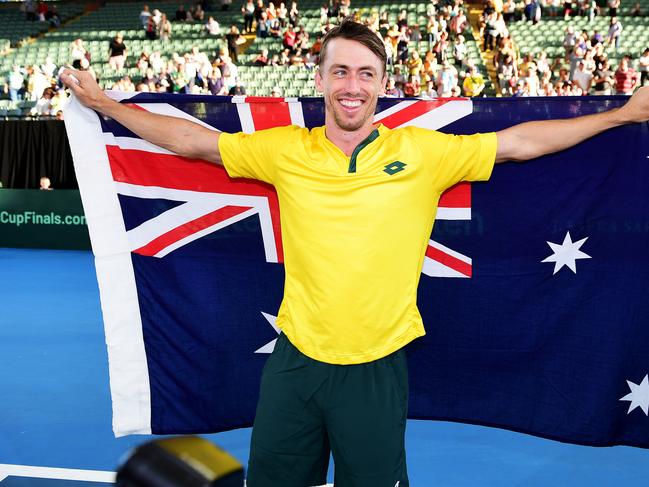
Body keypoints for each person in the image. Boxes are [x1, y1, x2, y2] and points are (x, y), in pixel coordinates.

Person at [61, 17, 649, 487]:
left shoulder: (424, 152)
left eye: (366, 74)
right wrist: (107, 105)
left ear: (381, 84)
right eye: (340, 72)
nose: (352, 86)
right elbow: (195, 141)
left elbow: (520, 143)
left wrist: (622, 115)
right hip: (294, 362)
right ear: (319, 80)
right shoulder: (285, 149)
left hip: (376, 366)